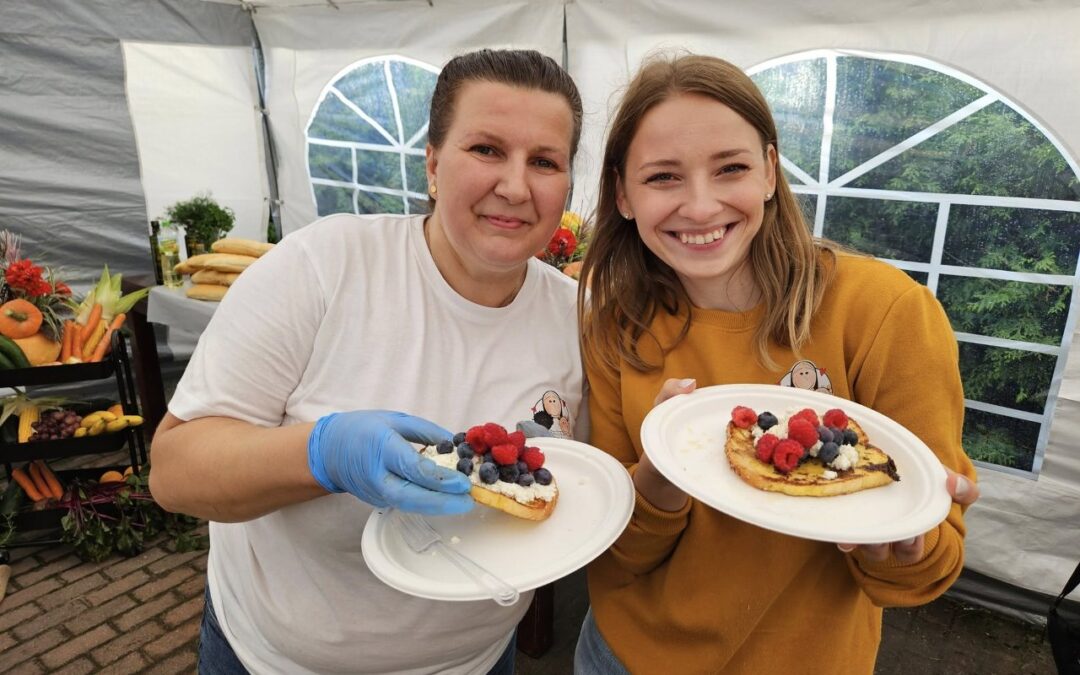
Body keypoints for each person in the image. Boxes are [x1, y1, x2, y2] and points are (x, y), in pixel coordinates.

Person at [149, 48, 585, 675]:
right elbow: (174, 471)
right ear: (433, 165)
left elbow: (586, 482)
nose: (515, 185)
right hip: (271, 661)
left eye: (544, 161)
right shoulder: (324, 266)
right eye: (486, 149)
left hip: (478, 662)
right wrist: (319, 453)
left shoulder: (578, 319)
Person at [574, 53, 979, 674]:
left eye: (730, 167)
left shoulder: (885, 312)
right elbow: (616, 555)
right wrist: (656, 472)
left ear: (769, 171)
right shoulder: (615, 324)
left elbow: (923, 576)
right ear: (622, 194)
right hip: (621, 656)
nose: (702, 207)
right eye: (663, 177)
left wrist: (901, 538)